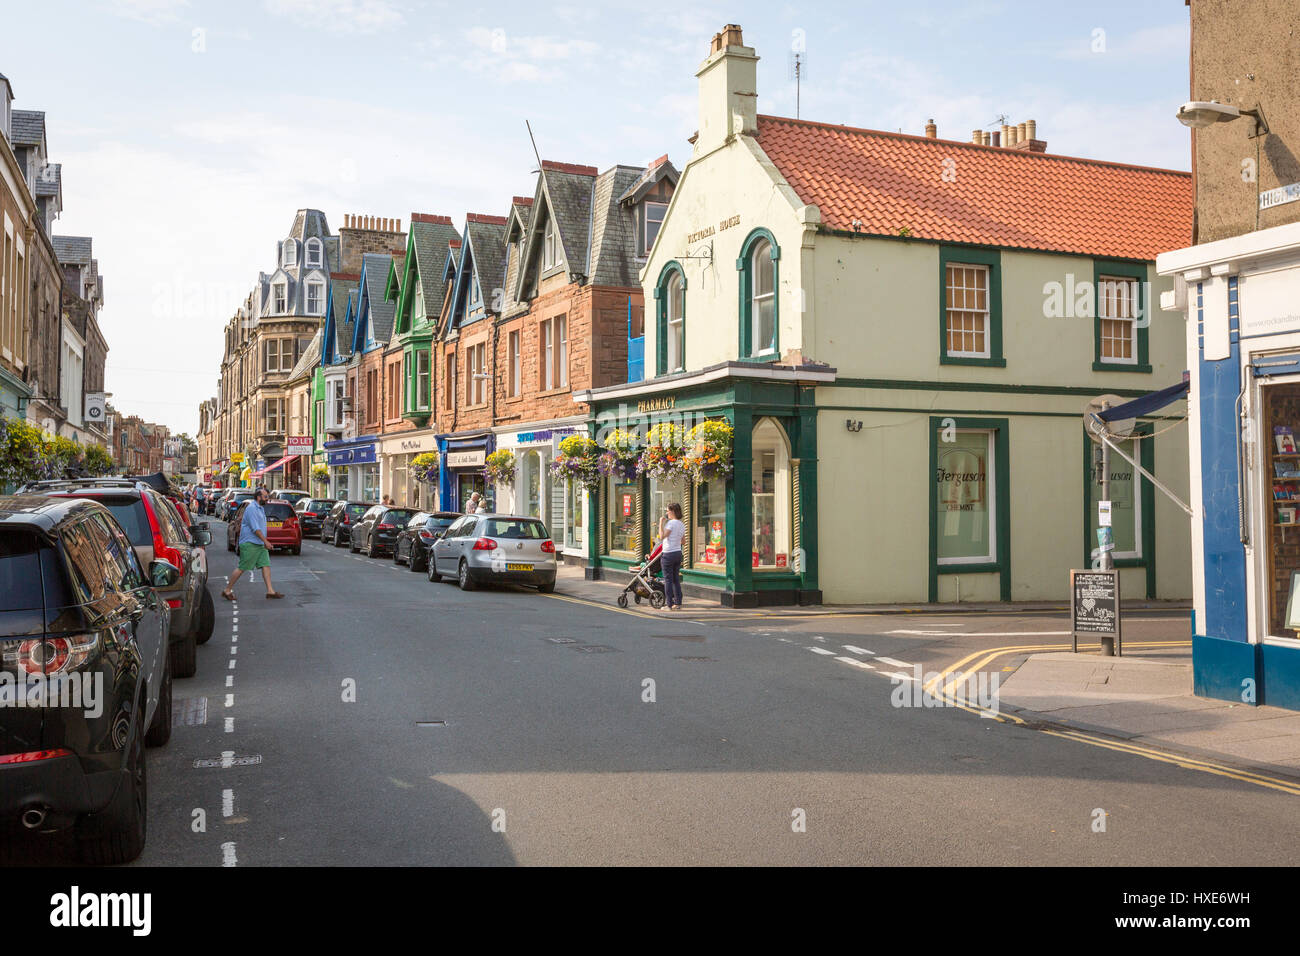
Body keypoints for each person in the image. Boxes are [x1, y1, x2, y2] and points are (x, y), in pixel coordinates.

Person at [222, 486, 284, 600]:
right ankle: (227, 590)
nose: (267, 499)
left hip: (259, 543)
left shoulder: (260, 508)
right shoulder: (251, 509)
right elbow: (255, 529)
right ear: (258, 497)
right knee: (242, 568)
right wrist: (266, 541)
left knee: (266, 565)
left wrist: (264, 541)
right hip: (250, 543)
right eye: (265, 497)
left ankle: (270, 591)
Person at [657, 503, 686, 610]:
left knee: (668, 580)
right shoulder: (681, 524)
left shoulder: (670, 524)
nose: (666, 513)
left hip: (668, 554)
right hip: (678, 553)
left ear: (672, 511)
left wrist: (660, 523)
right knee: (676, 580)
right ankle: (678, 603)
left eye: (668, 511)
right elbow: (684, 542)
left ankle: (669, 605)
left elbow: (661, 537)